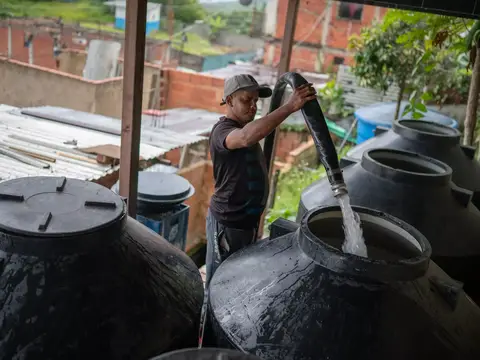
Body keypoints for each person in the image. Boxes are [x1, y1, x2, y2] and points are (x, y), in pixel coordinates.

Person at [204, 74, 317, 286]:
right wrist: (290, 106)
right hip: (228, 222)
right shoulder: (223, 131)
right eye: (247, 100)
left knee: (235, 279)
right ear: (229, 101)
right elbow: (246, 137)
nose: (253, 106)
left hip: (246, 223)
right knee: (219, 283)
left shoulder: (244, 128)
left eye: (256, 101)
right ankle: (207, 319)